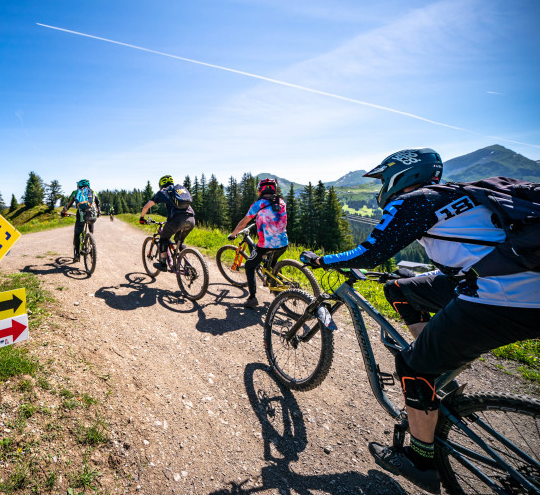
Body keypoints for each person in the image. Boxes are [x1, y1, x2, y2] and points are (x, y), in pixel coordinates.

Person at [300, 148, 540, 494]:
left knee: (411, 366)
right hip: (515, 282)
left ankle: (420, 459)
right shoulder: (461, 194)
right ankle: (439, 368)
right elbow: (473, 250)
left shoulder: (415, 200)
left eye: (384, 178)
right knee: (400, 289)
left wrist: (322, 258)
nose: (382, 186)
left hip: (503, 296)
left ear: (403, 175)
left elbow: (370, 252)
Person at [228, 178, 288, 308]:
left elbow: (243, 223)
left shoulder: (258, 205)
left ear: (260, 190)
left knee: (250, 265)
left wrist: (233, 234)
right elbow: (273, 216)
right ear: (274, 190)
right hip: (283, 243)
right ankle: (274, 284)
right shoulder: (281, 202)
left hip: (266, 245)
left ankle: (252, 298)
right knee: (272, 263)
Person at [139, 175, 195, 272]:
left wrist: (142, 218)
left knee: (163, 238)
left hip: (177, 220)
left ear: (161, 184)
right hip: (191, 219)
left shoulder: (164, 191)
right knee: (179, 241)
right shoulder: (178, 191)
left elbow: (146, 207)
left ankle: (163, 264)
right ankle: (188, 265)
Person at [61, 179, 100, 262]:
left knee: (77, 234)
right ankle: (91, 245)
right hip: (92, 216)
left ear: (78, 185)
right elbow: (98, 204)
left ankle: (77, 255)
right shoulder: (93, 192)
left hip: (81, 216)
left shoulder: (75, 192)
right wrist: (99, 213)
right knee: (90, 231)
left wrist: (63, 212)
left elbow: (68, 204)